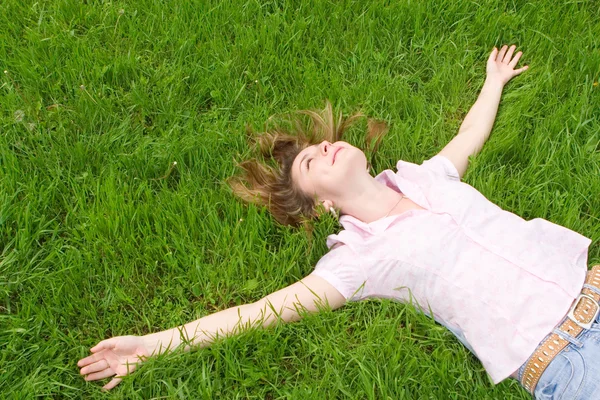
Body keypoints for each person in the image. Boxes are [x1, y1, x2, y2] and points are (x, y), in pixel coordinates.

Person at [77, 45, 600, 399]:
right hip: (565, 359)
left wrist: (493, 81)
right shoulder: (356, 261)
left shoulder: (428, 179)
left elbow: (468, 137)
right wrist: (151, 345)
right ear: (320, 204)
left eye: (320, 144)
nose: (325, 146)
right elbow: (257, 312)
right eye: (311, 162)